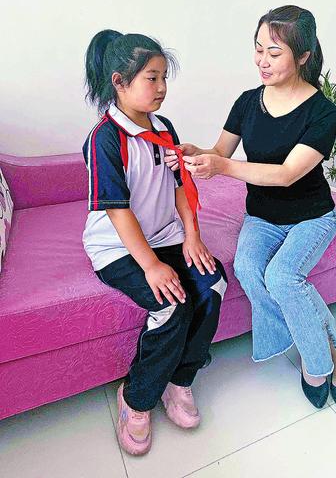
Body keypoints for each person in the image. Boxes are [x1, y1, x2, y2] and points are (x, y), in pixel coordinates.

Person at [165, 6, 336, 413]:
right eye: (258, 49)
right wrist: (195, 153)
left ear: (303, 56)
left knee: (283, 277)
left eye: (274, 52)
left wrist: (223, 167)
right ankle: (324, 337)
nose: (262, 61)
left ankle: (325, 358)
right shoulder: (247, 102)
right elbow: (220, 152)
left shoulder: (323, 113)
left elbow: (287, 174)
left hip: (311, 217)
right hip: (262, 216)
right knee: (249, 269)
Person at [82, 30, 227, 456]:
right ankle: (137, 398)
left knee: (213, 282)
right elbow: (118, 212)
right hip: (118, 247)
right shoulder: (105, 138)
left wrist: (192, 236)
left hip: (165, 235)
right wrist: (151, 266)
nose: (162, 87)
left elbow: (180, 184)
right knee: (170, 304)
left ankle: (179, 380)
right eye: (152, 78)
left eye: (164, 77)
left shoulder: (164, 127)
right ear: (119, 82)